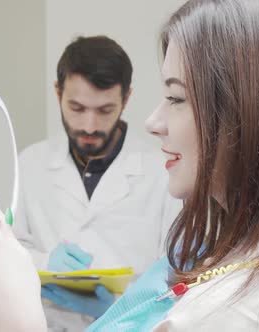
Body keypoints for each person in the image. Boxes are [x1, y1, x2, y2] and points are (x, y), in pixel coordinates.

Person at [0, 0, 259, 331]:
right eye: (76, 107)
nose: (153, 123)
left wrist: (17, 325)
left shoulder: (252, 310)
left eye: (176, 98)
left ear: (256, 115)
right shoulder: (245, 258)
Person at [11, 35, 182, 330]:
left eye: (104, 111)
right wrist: (43, 262)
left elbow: (175, 282)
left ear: (126, 99)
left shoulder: (163, 172)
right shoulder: (30, 163)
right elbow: (8, 250)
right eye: (76, 108)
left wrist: (118, 307)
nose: (89, 126)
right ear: (57, 93)